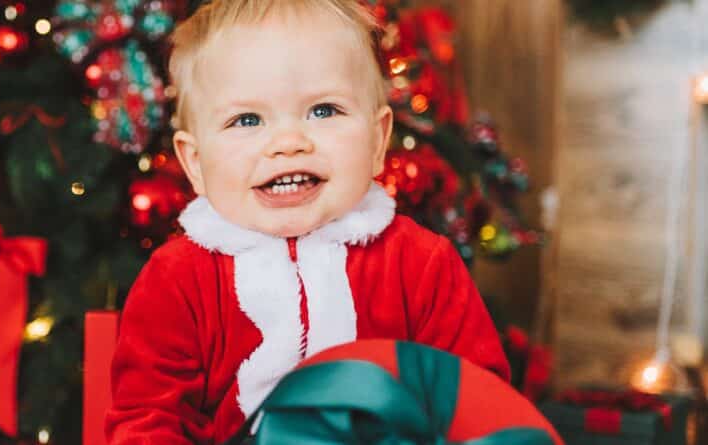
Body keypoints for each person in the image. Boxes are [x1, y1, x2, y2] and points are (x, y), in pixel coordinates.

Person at [105, 1, 510, 443]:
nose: (288, 143)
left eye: (323, 110)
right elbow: (147, 420)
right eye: (247, 119)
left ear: (377, 140)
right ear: (196, 163)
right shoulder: (177, 280)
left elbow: (475, 402)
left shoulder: (422, 264)